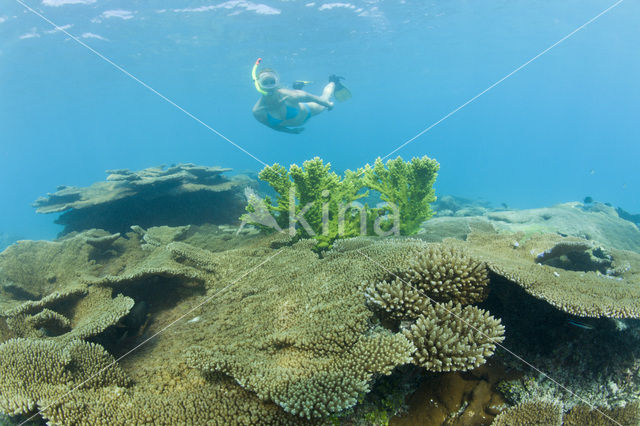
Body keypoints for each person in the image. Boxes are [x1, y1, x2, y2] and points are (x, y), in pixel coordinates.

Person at [251, 58, 350, 134]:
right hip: (299, 112)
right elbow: (274, 127)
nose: (269, 86)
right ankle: (298, 86)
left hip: (309, 111)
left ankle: (333, 81)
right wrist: (291, 132)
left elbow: (319, 99)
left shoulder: (291, 96)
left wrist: (329, 105)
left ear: (277, 82)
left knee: (326, 97)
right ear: (259, 84)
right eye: (265, 82)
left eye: (272, 82)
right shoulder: (258, 111)